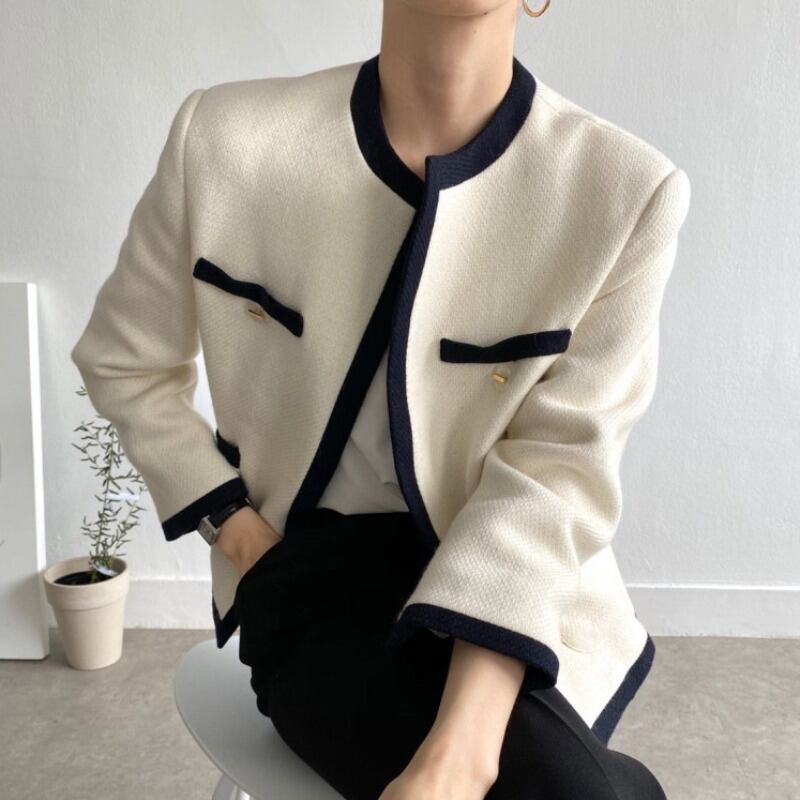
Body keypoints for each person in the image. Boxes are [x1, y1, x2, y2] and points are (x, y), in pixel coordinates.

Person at [71, 1, 691, 797]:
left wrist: (457, 757)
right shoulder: (225, 139)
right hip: (311, 578)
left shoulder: (623, 192)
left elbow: (555, 476)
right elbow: (123, 361)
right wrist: (238, 533)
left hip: (508, 579)